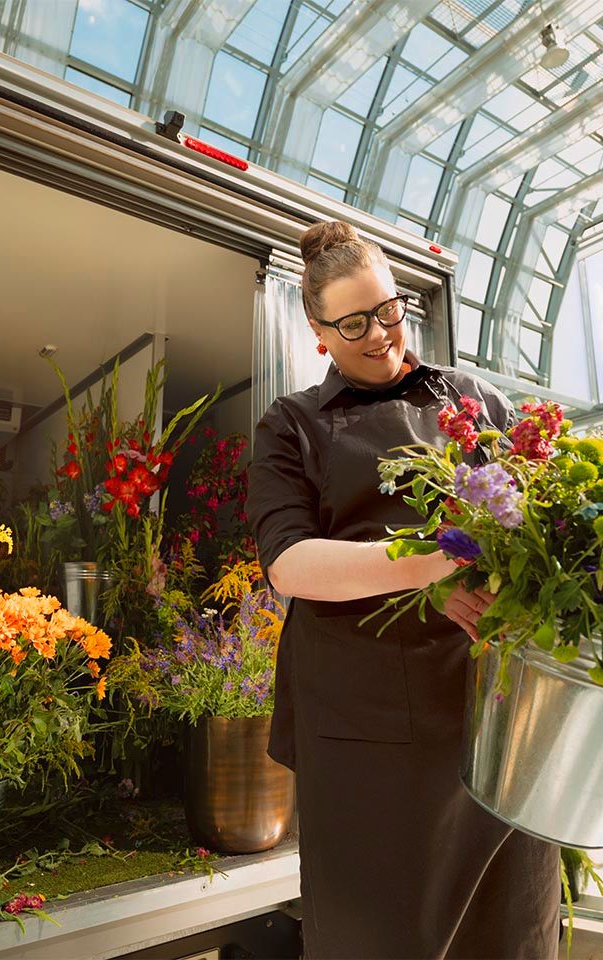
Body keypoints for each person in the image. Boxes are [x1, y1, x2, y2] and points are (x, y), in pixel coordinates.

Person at [246, 220, 561, 960]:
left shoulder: (476, 401)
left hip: (491, 713)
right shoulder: (293, 425)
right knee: (377, 934)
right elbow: (289, 564)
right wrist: (430, 563)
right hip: (364, 734)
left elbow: (536, 525)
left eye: (389, 310)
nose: (381, 334)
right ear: (318, 332)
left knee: (511, 929)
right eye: (354, 323)